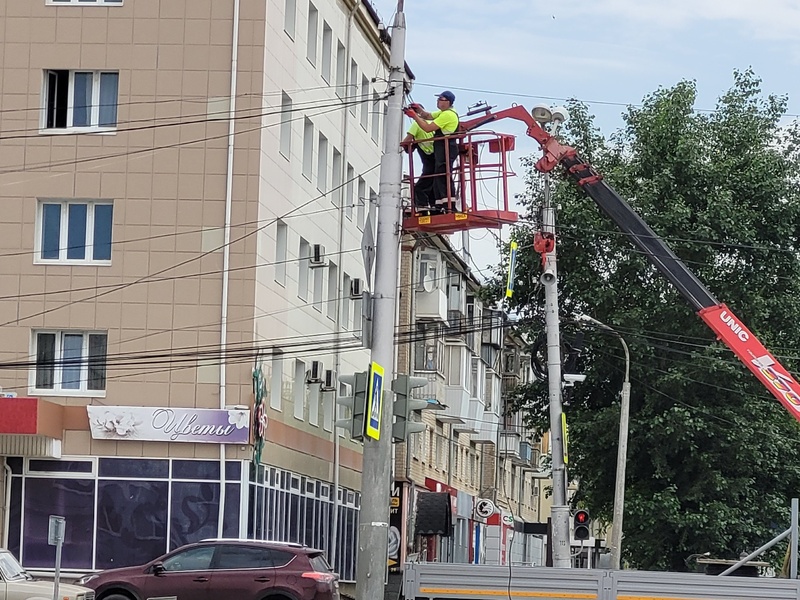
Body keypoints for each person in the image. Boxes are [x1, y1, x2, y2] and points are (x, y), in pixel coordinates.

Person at [404, 91, 460, 213]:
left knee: (444, 175)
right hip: (442, 147)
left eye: (441, 99)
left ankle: (449, 205)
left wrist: (414, 116)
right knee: (439, 176)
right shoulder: (442, 113)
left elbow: (428, 127)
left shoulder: (448, 115)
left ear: (448, 102)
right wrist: (418, 110)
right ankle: (441, 205)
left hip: (447, 147)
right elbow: (428, 116)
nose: (438, 101)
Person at [401, 104, 436, 213]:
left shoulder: (417, 124)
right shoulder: (432, 123)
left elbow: (405, 141)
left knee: (420, 188)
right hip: (438, 158)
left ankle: (422, 210)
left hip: (429, 160)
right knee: (433, 186)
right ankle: (436, 210)